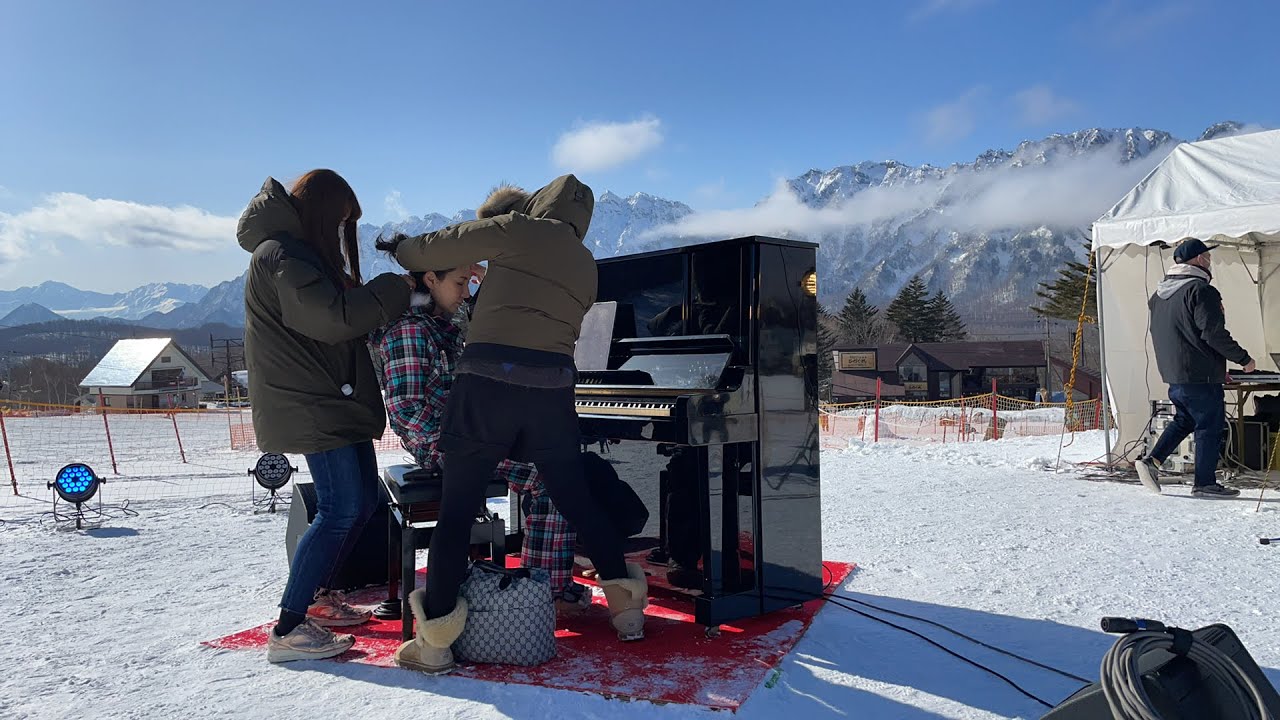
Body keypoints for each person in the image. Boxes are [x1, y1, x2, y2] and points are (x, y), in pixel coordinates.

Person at [382, 176, 647, 675]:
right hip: (552, 392)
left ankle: (435, 643)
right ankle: (627, 612)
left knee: (458, 513)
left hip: (487, 387)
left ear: (542, 203)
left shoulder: (518, 230)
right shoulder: (586, 265)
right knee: (576, 498)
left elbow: (432, 248)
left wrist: (403, 249)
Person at [238, 170, 414, 663]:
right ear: (321, 213)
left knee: (356, 506)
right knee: (340, 510)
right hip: (314, 402)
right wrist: (398, 289)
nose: (343, 232)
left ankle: (318, 598)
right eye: (340, 220)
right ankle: (290, 628)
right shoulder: (282, 255)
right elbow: (333, 319)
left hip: (331, 399)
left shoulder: (294, 253)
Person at [368, 262, 593, 612]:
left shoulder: (443, 327)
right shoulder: (410, 331)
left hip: (474, 435)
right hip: (442, 444)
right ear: (431, 279)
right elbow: (408, 413)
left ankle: (546, 576)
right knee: (551, 477)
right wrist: (475, 440)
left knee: (563, 460)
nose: (466, 293)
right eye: (460, 282)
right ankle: (545, 593)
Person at [1135, 238, 1253, 498]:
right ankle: (1204, 483)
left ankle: (1151, 461)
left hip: (1175, 373)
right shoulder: (1201, 290)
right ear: (1199, 259)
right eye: (1208, 257)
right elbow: (1212, 333)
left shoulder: (1159, 296)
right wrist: (1243, 359)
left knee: (1185, 419)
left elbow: (1181, 334)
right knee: (1209, 425)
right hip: (1200, 374)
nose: (1210, 262)